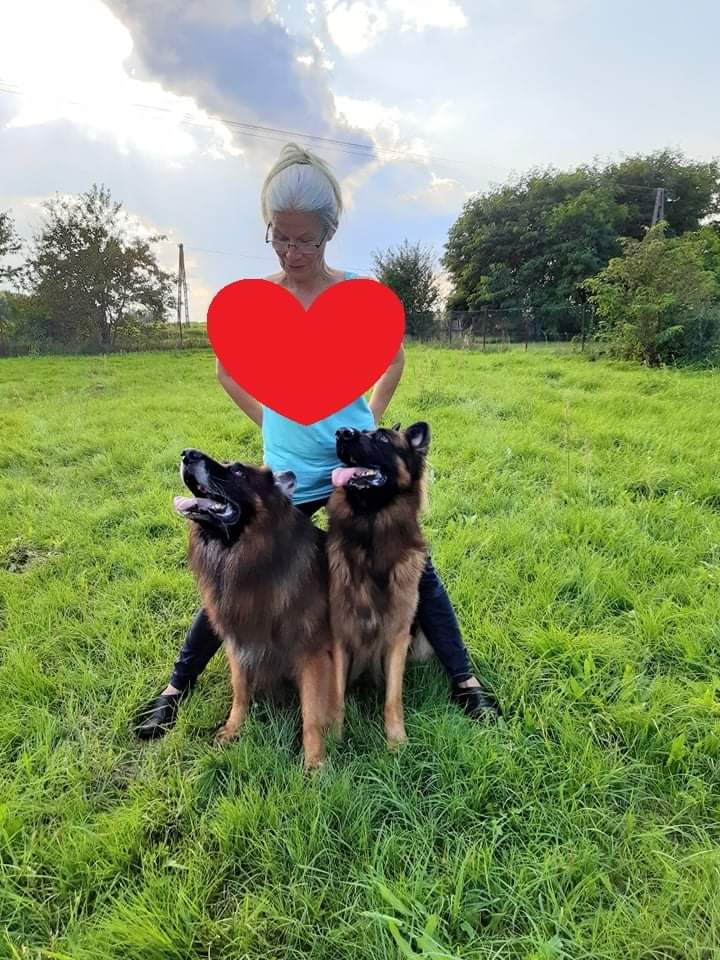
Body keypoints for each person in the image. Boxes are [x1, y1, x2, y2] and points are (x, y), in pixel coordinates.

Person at [135, 142, 500, 740]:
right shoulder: (256, 303)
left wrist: (367, 414)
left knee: (414, 567)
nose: (293, 251)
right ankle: (176, 688)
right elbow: (226, 372)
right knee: (238, 573)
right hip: (285, 477)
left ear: (329, 232)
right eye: (280, 237)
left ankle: (465, 679)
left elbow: (393, 360)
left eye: (306, 240)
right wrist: (272, 423)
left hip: (348, 472)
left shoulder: (356, 295)